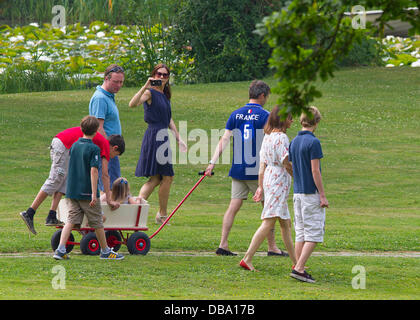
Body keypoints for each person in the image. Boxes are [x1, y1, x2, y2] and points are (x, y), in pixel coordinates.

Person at [205, 80, 287, 257]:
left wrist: (212, 162)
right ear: (263, 95)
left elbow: (224, 140)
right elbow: (272, 141)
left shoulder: (236, 115)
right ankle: (272, 247)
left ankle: (223, 244)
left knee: (233, 207)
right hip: (258, 171)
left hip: (238, 169)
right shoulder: (266, 116)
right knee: (269, 210)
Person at [19, 123, 125, 235]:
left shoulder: (98, 143)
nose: (113, 157)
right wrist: (109, 200)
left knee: (64, 181)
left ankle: (51, 215)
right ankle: (30, 212)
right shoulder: (104, 145)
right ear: (114, 148)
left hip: (67, 147)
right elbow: (105, 175)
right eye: (116, 154)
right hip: (63, 144)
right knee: (55, 179)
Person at [53, 116, 124, 260]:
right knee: (97, 221)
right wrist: (93, 194)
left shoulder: (74, 145)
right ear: (96, 130)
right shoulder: (94, 148)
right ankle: (105, 251)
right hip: (86, 191)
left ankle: (60, 249)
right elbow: (94, 171)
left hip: (72, 191)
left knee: (71, 220)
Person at [239, 107, 297, 271]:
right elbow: (286, 163)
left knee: (285, 224)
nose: (292, 121)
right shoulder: (282, 138)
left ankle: (296, 262)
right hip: (278, 179)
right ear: (282, 119)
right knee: (269, 221)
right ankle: (247, 258)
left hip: (271, 179)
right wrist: (298, 176)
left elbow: (262, 166)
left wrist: (260, 186)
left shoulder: (268, 137)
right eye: (290, 117)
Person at [129, 63, 187, 224]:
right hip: (155, 136)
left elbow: (168, 118)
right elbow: (132, 104)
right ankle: (161, 214)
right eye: (159, 74)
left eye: (165, 75)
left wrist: (178, 138)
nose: (161, 77)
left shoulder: (164, 95)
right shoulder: (149, 92)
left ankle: (135, 208)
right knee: (167, 176)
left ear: (168, 78)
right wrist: (144, 86)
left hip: (163, 136)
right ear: (153, 75)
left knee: (156, 179)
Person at [289, 106, 328, 283]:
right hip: (310, 193)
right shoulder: (314, 143)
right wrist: (322, 195)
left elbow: (290, 165)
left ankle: (299, 266)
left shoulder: (294, 141)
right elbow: (315, 171)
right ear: (316, 122)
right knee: (314, 233)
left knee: (301, 232)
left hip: (297, 193)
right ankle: (299, 268)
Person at [89, 64, 124, 187]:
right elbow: (98, 127)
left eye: (121, 82)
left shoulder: (109, 96)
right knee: (108, 187)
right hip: (106, 150)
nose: (118, 85)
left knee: (114, 185)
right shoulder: (100, 98)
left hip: (112, 150)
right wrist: (108, 150)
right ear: (106, 78)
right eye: (115, 82)